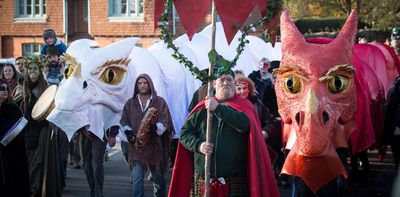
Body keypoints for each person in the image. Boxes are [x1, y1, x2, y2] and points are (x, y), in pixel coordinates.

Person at [169, 69, 279, 197]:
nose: (225, 83)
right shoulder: (202, 109)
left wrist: (218, 108)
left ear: (234, 84)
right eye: (222, 80)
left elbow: (245, 125)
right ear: (215, 83)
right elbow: (184, 134)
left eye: (229, 80)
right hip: (203, 179)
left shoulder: (244, 105)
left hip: (234, 181)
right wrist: (199, 145)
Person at [120, 73, 173, 197]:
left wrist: (155, 127)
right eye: (140, 83)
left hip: (155, 148)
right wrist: (128, 132)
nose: (142, 85)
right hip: (137, 148)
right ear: (136, 86)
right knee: (137, 180)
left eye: (145, 83)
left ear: (150, 84)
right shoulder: (130, 103)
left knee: (158, 182)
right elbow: (123, 121)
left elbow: (165, 121)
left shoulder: (159, 102)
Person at [21, 55, 63, 197]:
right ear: (27, 71)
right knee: (26, 163)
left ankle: (36, 190)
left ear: (40, 70)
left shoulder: (46, 88)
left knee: (38, 163)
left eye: (35, 68)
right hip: (24, 132)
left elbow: (52, 109)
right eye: (30, 68)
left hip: (42, 132)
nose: (32, 71)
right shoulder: (21, 89)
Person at [0, 80, 30, 196]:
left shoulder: (13, 108)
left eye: (6, 89)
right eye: (1, 89)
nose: (5, 91)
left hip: (12, 151)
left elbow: (20, 129)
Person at [382, 76, 400, 170]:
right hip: (395, 131)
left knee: (397, 158)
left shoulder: (393, 92)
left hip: (395, 131)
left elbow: (388, 118)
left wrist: (383, 141)